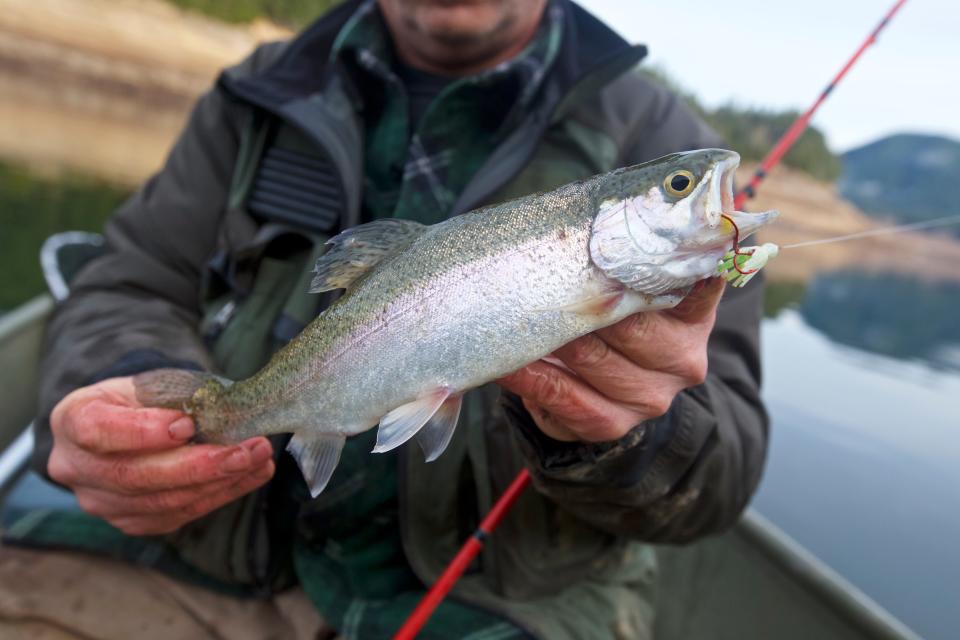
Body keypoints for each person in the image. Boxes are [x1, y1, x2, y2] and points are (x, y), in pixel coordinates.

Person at [0, 0, 768, 638]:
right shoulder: (261, 90)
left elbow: (724, 467)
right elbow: (131, 279)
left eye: (677, 188)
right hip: (203, 553)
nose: (688, 191)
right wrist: (113, 392)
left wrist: (638, 434)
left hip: (502, 603)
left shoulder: (659, 136)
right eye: (677, 187)